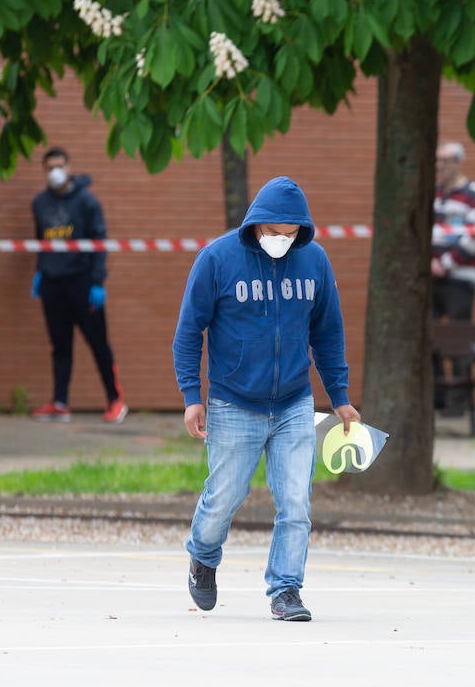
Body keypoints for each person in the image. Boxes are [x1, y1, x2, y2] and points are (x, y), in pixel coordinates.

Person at [173, 176, 360, 622]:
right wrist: (191, 395)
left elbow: (328, 332)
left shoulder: (314, 261)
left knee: (296, 501)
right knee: (224, 497)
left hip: (295, 402)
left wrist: (340, 396)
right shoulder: (217, 259)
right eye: (273, 232)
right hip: (233, 403)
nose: (281, 241)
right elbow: (188, 331)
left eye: (290, 233)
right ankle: (203, 554)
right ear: (256, 224)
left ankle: (286, 589)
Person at [28, 147, 127, 423]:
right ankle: (59, 403)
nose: (55, 172)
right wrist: (40, 273)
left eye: (59, 165)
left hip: (83, 283)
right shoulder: (39, 203)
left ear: (69, 166)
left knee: (98, 344)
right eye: (49, 167)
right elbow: (40, 242)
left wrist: (97, 282)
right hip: (52, 284)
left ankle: (115, 400)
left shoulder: (87, 202)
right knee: (60, 346)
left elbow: (99, 243)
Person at [432, 142, 475, 414]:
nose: (440, 166)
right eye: (437, 161)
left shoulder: (473, 193)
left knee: (457, 338)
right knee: (429, 336)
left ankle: (458, 405)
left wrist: (445, 263)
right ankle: (437, 398)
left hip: (460, 279)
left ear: (458, 162)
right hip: (431, 278)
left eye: (445, 161)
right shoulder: (435, 194)